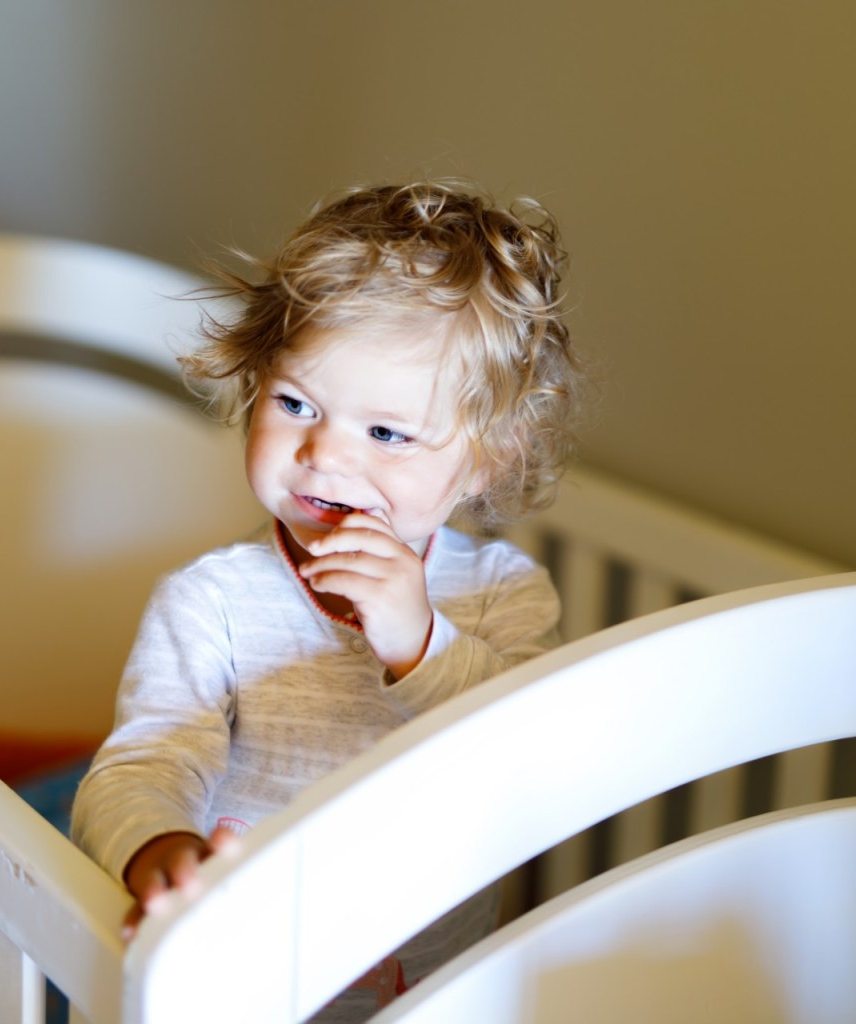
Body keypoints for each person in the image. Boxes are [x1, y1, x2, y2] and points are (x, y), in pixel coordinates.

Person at [71, 180, 584, 1021]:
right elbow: (146, 761)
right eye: (295, 403)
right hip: (240, 982)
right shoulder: (213, 603)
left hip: (435, 988)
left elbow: (534, 763)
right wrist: (162, 847)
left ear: (487, 460)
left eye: (386, 433)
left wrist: (422, 644)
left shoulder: (502, 599)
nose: (325, 455)